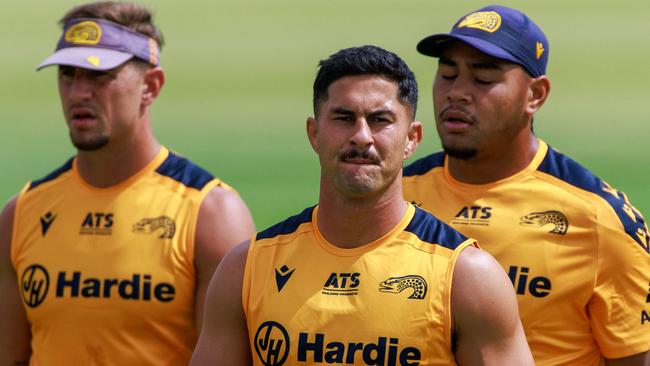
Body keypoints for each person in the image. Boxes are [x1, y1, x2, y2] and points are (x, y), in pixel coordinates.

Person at [190, 45, 533, 365]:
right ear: (314, 133)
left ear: (412, 138)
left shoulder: (467, 276)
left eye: (380, 120)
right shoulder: (247, 268)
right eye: (343, 117)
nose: (361, 136)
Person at [0, 2, 255, 364]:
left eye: (99, 77)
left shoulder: (211, 214)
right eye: (68, 76)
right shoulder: (21, 213)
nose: (78, 93)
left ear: (151, 86)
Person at [403, 5, 650, 366]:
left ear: (535, 95)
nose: (457, 92)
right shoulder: (398, 196)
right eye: (448, 73)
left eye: (483, 79)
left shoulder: (600, 220)